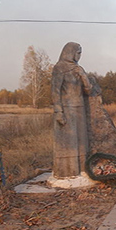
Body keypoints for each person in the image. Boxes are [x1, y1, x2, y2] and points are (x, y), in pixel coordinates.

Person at [51, 42, 92, 178]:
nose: (79, 56)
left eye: (80, 53)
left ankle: (82, 170)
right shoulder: (59, 68)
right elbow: (55, 91)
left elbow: (88, 90)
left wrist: (83, 76)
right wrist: (58, 111)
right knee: (68, 141)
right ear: (70, 52)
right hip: (66, 109)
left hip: (80, 108)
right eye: (78, 52)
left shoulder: (78, 68)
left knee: (81, 141)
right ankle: (67, 171)